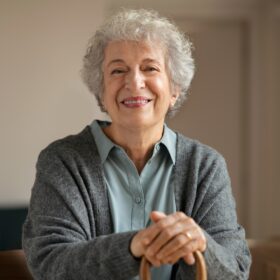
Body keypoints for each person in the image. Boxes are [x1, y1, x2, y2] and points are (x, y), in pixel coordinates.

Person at [22, 9, 251, 280]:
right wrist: (133, 248)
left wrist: (200, 244)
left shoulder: (206, 166)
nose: (134, 82)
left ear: (174, 89)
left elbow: (235, 272)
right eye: (118, 70)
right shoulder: (62, 160)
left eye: (150, 68)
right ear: (101, 92)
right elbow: (51, 265)